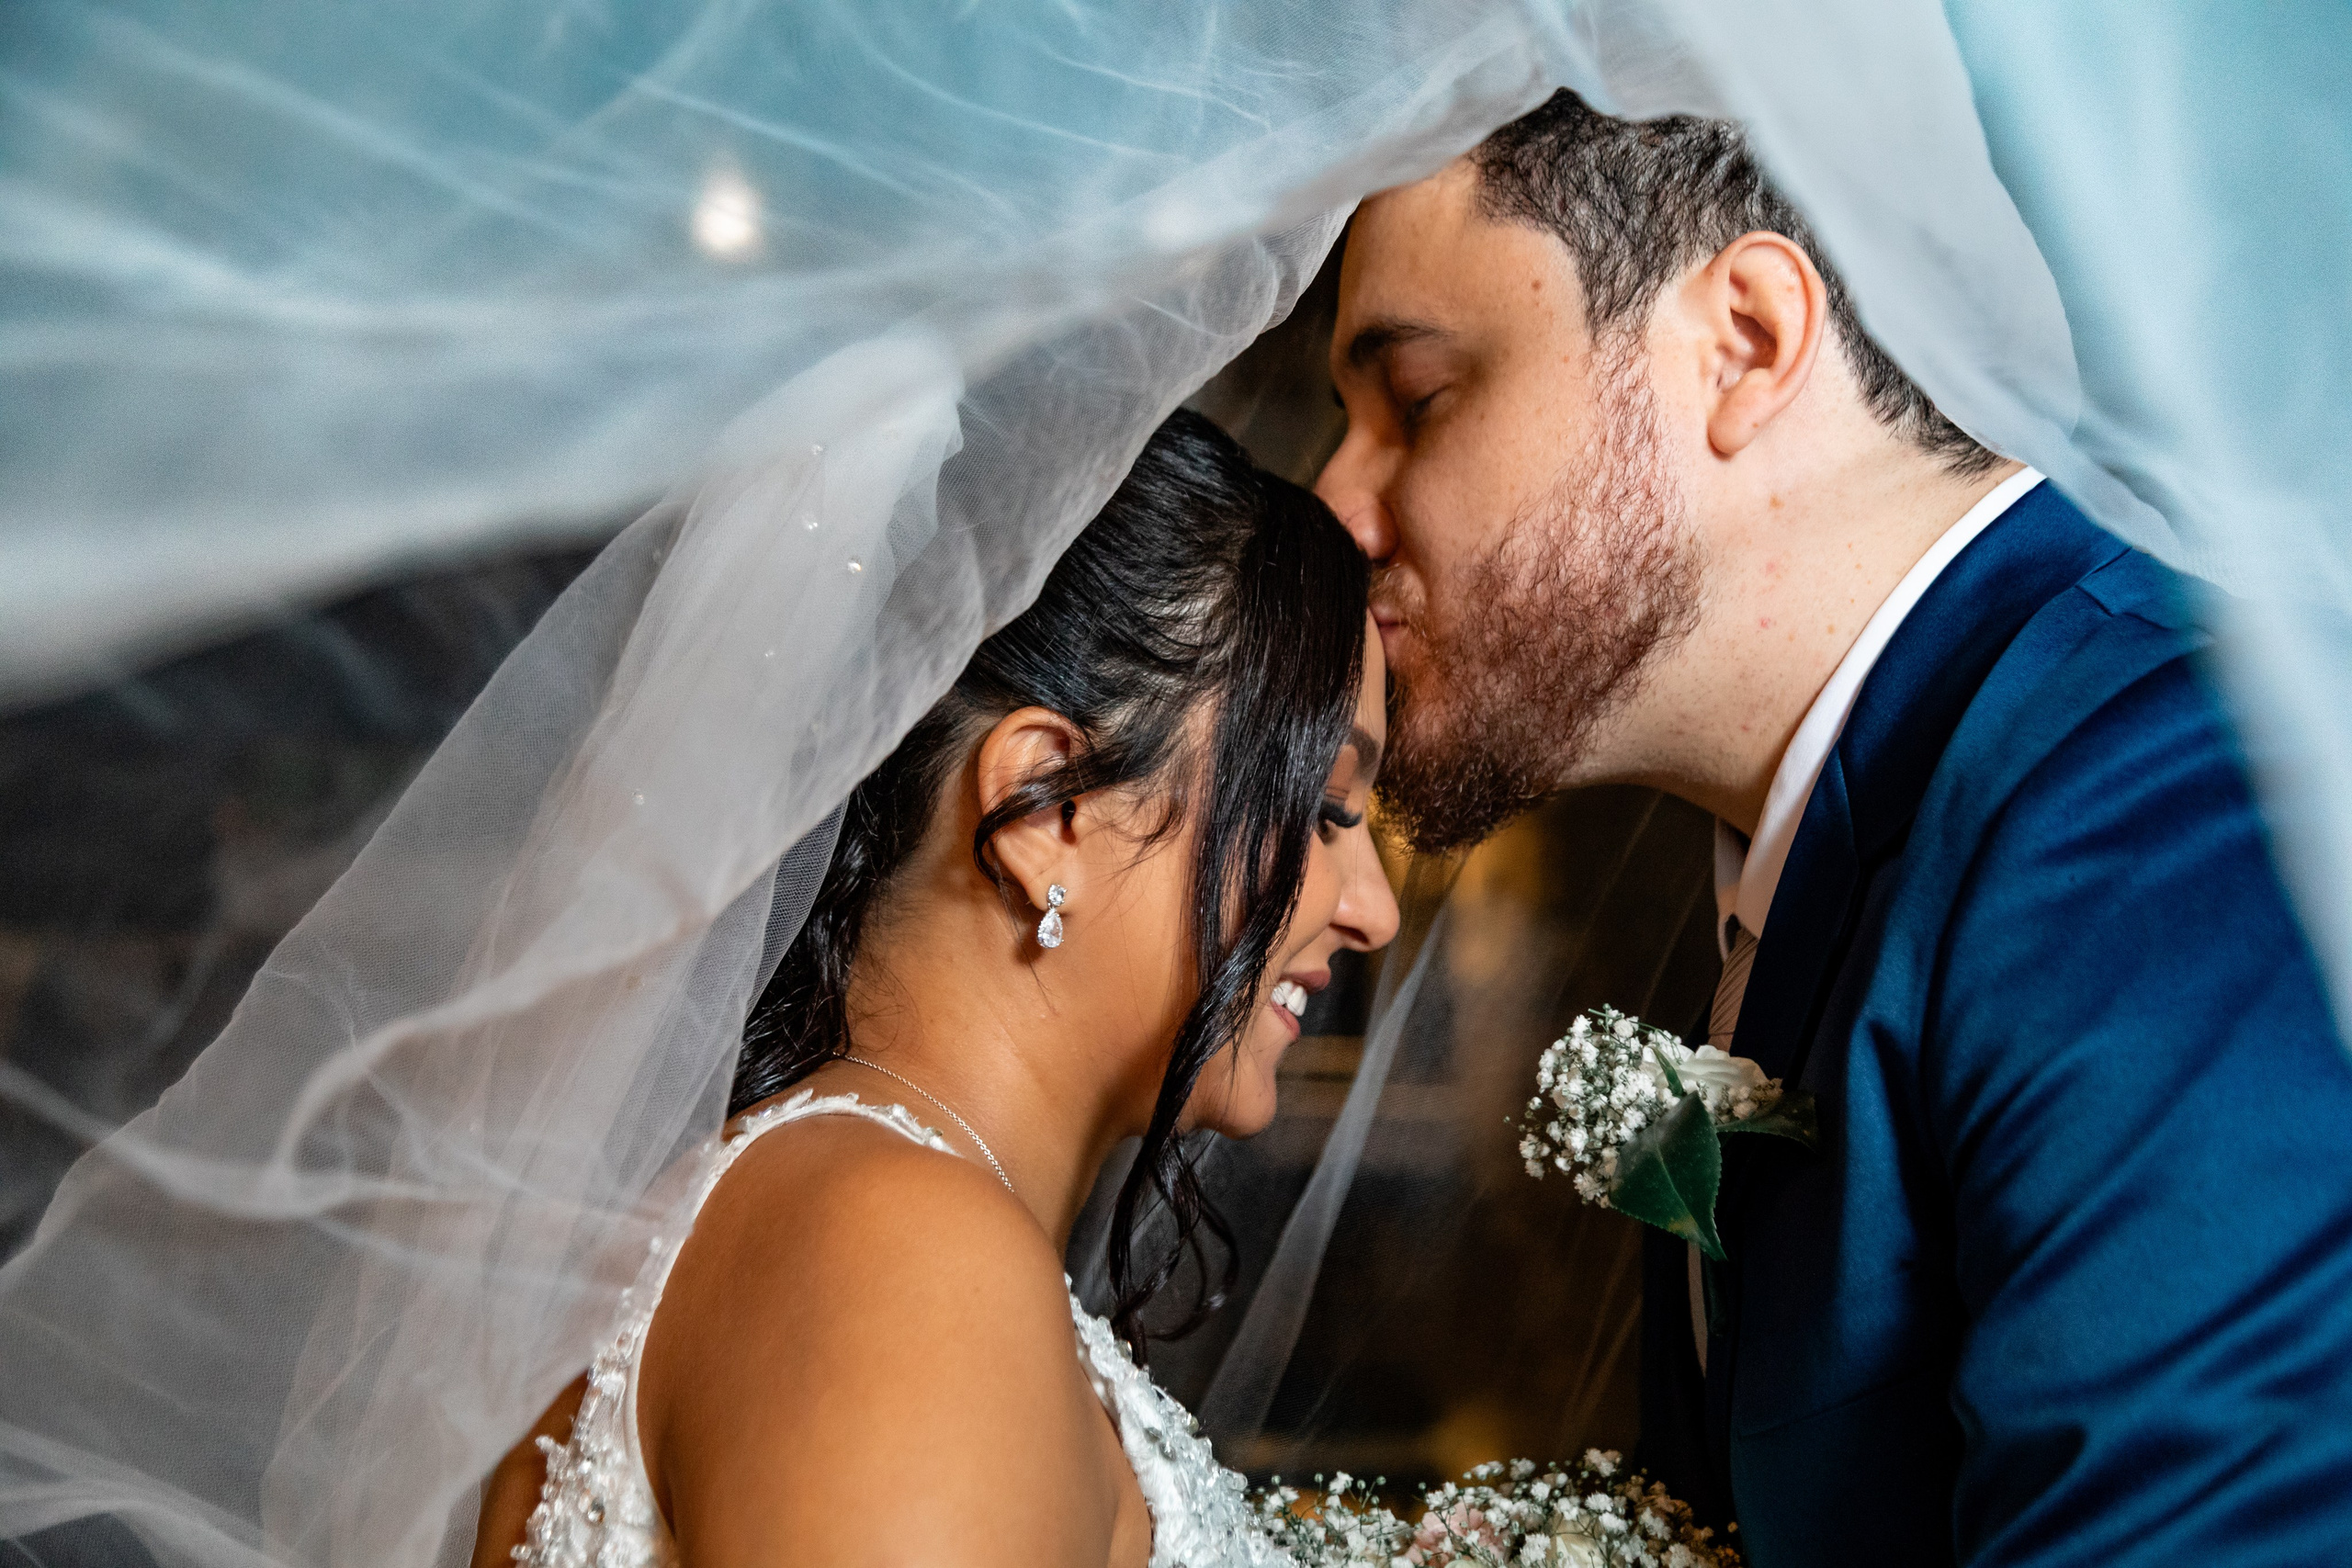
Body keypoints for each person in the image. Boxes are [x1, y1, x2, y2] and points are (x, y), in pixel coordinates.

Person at [1313, 91, 2352, 1566]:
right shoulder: (1814, 847)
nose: (1336, 498)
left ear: (1743, 340)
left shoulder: (2162, 796)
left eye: (1416, 397)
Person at [460, 409, 1395, 1568]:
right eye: (1326, 812)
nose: (1373, 907)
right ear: (1049, 806)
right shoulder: (903, 1259)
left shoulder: (829, 1214)